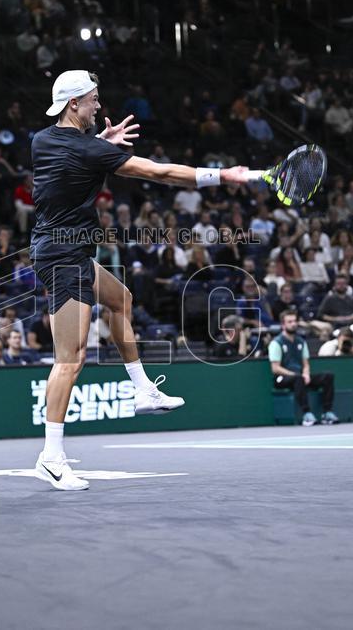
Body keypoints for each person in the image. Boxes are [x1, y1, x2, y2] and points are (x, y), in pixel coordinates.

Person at [28, 70, 249, 490]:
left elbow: (76, 158)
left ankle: (143, 390)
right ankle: (51, 457)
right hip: (62, 257)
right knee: (70, 360)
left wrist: (100, 144)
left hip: (63, 250)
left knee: (121, 300)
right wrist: (221, 175)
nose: (99, 105)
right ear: (74, 103)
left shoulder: (42, 140)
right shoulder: (89, 149)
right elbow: (160, 173)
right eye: (93, 99)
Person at [269, 310, 338, 426]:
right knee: (298, 378)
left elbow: (305, 364)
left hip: (300, 377)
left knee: (328, 376)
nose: (293, 324)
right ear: (283, 325)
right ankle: (307, 414)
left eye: (295, 321)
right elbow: (275, 368)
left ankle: (327, 413)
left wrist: (306, 374)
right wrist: (295, 375)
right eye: (289, 322)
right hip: (282, 378)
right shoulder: (276, 343)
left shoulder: (301, 342)